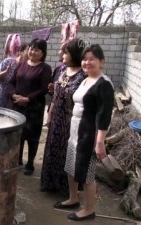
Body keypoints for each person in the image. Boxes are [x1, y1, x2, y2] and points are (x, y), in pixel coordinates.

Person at [54, 44, 114, 221]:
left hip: (88, 134)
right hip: (75, 131)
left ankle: (89, 209)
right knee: (71, 167)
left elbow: (104, 116)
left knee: (86, 172)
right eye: (84, 59)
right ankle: (73, 198)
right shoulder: (85, 79)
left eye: (92, 59)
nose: (87, 62)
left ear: (101, 61)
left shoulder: (104, 84)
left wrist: (100, 142)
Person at [40, 39, 87, 195]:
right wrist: (50, 113)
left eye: (65, 52)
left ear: (73, 54)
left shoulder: (83, 75)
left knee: (67, 154)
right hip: (56, 119)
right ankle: (50, 184)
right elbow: (55, 95)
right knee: (52, 150)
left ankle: (66, 190)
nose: (61, 55)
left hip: (71, 122)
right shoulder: (61, 70)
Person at [8, 38, 52, 176]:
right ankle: (19, 161)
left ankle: (30, 163)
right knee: (18, 134)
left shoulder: (45, 68)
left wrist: (28, 98)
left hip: (34, 107)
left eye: (37, 50)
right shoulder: (21, 65)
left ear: (43, 53)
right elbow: (10, 82)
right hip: (17, 106)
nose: (33, 52)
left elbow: (44, 88)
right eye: (31, 48)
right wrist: (14, 95)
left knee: (32, 136)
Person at [0, 41, 29, 108]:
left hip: (12, 101)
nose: (30, 52)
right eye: (28, 50)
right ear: (20, 52)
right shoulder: (8, 61)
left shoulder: (27, 67)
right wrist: (5, 72)